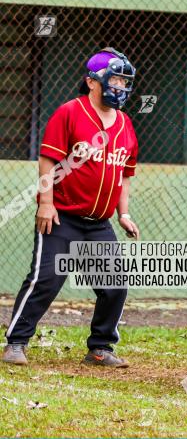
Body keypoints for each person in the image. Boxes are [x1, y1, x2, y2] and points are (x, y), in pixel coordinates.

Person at [3, 48, 141, 368]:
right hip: (62, 216)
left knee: (114, 286)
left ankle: (100, 348)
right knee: (47, 278)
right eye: (114, 80)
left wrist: (124, 214)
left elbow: (125, 174)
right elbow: (48, 159)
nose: (120, 87)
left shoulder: (125, 124)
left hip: (99, 223)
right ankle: (17, 342)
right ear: (92, 82)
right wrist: (46, 204)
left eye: (124, 81)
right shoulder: (70, 112)